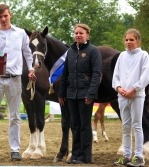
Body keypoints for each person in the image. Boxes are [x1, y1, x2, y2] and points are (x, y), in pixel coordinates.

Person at [0, 3, 35, 161]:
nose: (3, 19)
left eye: (5, 16)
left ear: (10, 15)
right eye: (0, 16)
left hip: (15, 79)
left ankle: (15, 150)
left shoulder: (21, 34)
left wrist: (30, 69)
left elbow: (27, 52)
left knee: (15, 117)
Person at [58, 23, 102, 164]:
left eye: (81, 33)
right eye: (76, 33)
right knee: (74, 125)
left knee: (84, 125)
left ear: (87, 35)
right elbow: (65, 74)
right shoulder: (70, 52)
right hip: (71, 94)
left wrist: (91, 94)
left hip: (85, 95)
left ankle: (85, 156)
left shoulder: (93, 51)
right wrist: (61, 93)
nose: (78, 35)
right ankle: (75, 154)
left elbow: (97, 74)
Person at [112, 28, 149, 166]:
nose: (128, 42)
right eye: (127, 40)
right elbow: (115, 76)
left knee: (137, 125)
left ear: (138, 41)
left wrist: (134, 89)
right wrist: (118, 88)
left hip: (137, 96)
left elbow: (146, 76)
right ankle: (127, 156)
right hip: (122, 96)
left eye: (131, 40)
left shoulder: (143, 55)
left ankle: (139, 157)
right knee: (125, 126)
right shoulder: (122, 56)